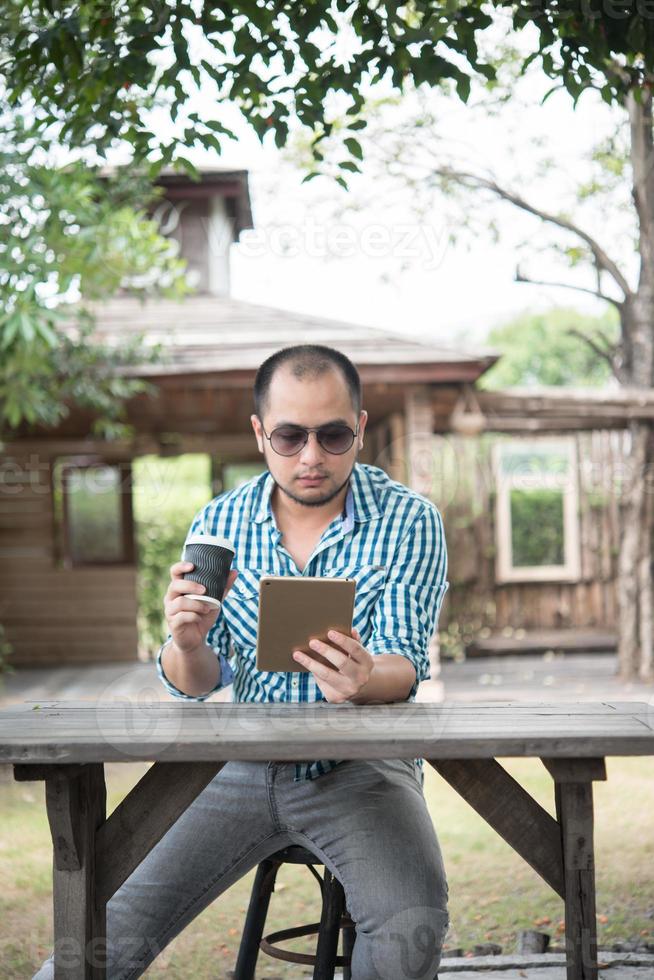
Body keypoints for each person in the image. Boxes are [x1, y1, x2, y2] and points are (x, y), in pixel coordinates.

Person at [34, 344, 450, 980]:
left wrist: (365, 680)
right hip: (239, 765)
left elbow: (405, 664)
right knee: (107, 926)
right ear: (260, 434)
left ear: (361, 428)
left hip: (363, 768)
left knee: (411, 927)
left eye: (333, 434)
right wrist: (187, 643)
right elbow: (197, 686)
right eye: (289, 435)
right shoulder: (220, 521)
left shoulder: (410, 519)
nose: (311, 456)